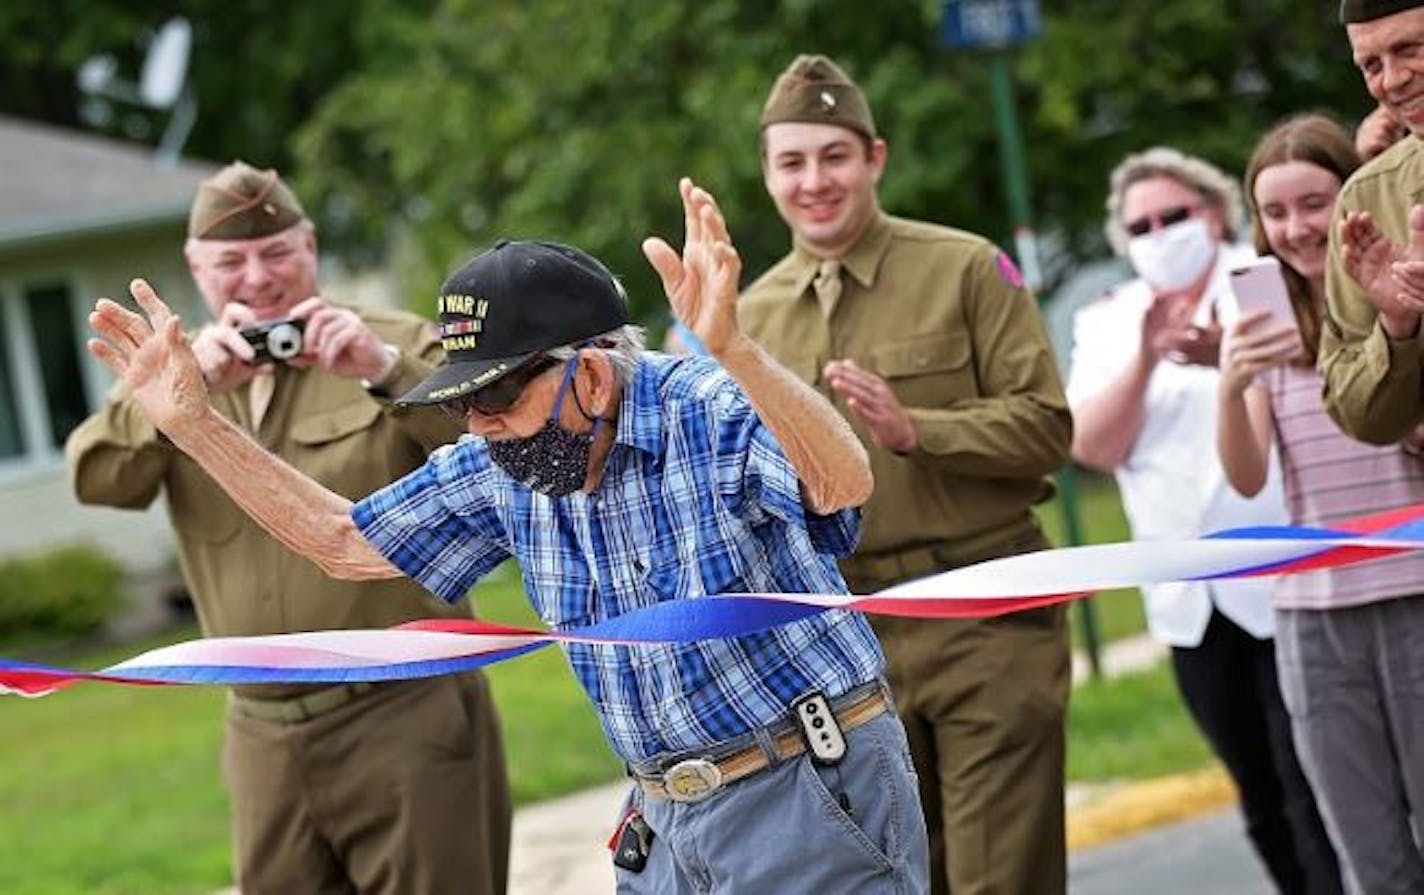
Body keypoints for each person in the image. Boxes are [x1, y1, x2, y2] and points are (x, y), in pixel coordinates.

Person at [82, 178, 931, 894]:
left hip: (808, 791)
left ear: (589, 375)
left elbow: (841, 484)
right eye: (460, 406)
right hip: (666, 823)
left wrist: (735, 348)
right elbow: (343, 538)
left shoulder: (703, 410)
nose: (478, 426)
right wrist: (196, 426)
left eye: (494, 400)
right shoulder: (504, 464)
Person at [65, 162, 512, 895]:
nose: (258, 277)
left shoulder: (396, 345)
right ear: (194, 267)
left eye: (277, 253)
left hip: (403, 711)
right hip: (261, 729)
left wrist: (383, 371)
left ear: (310, 245)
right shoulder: (173, 374)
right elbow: (96, 477)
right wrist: (178, 408)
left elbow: (500, 447)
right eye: (231, 261)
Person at [739, 54, 1074, 895]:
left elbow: (1048, 428)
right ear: (769, 175)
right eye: (793, 161)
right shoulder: (745, 320)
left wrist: (916, 429)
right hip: (843, 641)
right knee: (888, 879)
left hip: (983, 611)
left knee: (1001, 875)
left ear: (875, 159)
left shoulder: (964, 268)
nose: (815, 180)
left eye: (835, 155)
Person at [1067, 147, 1342, 894]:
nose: (1158, 232)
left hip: (1285, 576)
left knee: (1310, 782)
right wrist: (1148, 357)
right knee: (1257, 790)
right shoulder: (1110, 318)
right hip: (1188, 598)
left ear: (1213, 212)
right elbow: (1093, 444)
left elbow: (1312, 396)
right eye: (1140, 224)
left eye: (1173, 215)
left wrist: (1228, 357)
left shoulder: (1258, 278)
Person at [1219, 112, 1424, 894]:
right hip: (1313, 613)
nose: (1297, 228)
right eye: (1275, 212)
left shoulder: (1401, 293)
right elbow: (1246, 476)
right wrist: (1232, 384)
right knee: (1371, 858)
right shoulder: (1262, 316)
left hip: (1412, 590)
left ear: (1357, 198)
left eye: (1316, 203)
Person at [1321, 0, 1424, 445]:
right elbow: (1361, 418)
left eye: (1411, 49)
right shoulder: (1367, 198)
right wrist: (1397, 326)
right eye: (1371, 65)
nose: (1392, 80)